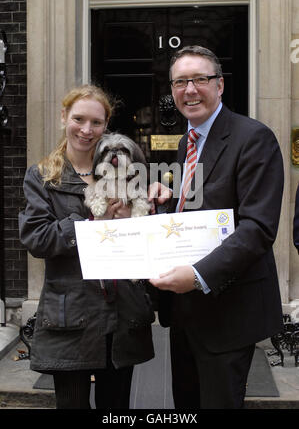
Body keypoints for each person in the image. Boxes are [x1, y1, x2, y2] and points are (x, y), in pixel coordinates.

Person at [149, 45, 284, 409]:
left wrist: (196, 276)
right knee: (186, 405)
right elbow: (206, 205)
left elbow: (257, 228)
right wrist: (171, 197)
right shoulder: (185, 142)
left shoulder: (254, 138)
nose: (189, 90)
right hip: (185, 310)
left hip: (228, 310)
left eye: (199, 80)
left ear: (220, 85)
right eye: (180, 82)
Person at [19, 84, 155, 409]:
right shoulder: (42, 178)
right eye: (79, 118)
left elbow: (149, 238)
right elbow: (37, 239)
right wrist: (90, 225)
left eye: (96, 122)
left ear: (106, 126)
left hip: (121, 317)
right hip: (71, 320)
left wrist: (150, 210)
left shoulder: (128, 174)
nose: (86, 129)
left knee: (116, 409)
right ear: (64, 116)